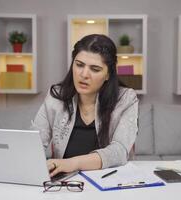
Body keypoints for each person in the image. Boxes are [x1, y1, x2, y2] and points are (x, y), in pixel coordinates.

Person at [31, 34, 138, 178]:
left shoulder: (125, 99)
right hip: (65, 184)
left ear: (108, 74)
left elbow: (119, 151)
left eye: (95, 69)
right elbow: (33, 143)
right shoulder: (56, 96)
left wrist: (71, 163)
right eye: (79, 65)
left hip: (110, 182)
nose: (84, 74)